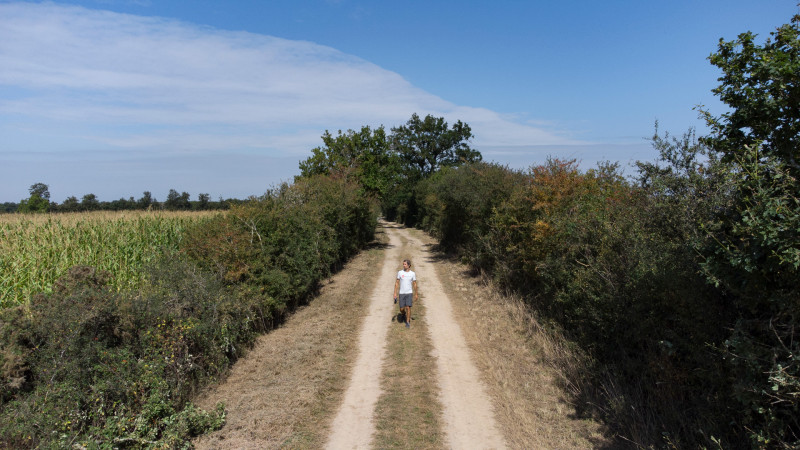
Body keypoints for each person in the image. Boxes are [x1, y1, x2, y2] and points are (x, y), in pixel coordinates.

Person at [393, 259, 418, 328]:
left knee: (408, 307)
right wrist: (395, 293)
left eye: (405, 264)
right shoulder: (400, 273)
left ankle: (407, 322)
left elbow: (415, 284)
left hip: (409, 293)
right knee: (401, 308)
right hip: (402, 293)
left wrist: (416, 293)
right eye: (403, 264)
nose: (403, 265)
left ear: (409, 265)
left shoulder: (412, 274)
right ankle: (403, 314)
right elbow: (397, 283)